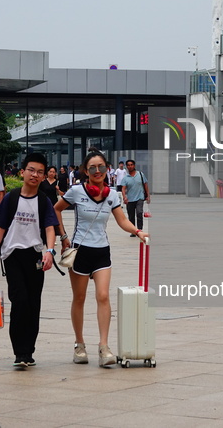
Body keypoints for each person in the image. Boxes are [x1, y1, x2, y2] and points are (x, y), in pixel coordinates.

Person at [54, 148, 150, 367]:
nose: (98, 171)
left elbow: (122, 220)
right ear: (86, 172)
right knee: (79, 298)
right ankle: (79, 344)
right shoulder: (76, 191)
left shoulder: (112, 195)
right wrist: (63, 237)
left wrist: (137, 231)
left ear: (107, 169)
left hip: (101, 252)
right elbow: (56, 209)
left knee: (103, 296)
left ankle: (104, 347)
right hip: (79, 251)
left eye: (101, 167)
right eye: (92, 168)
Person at [0, 153, 58, 368]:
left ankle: (29, 351)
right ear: (23, 172)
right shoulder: (12, 198)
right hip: (13, 255)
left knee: (33, 303)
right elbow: (0, 227)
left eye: (39, 172)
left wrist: (50, 251)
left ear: (43, 176)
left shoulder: (44, 201)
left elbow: (49, 228)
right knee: (20, 301)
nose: (34, 175)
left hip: (35, 255)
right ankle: (19, 352)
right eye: (31, 170)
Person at [122, 159, 150, 237]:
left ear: (134, 166)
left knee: (139, 212)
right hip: (130, 199)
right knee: (131, 216)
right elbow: (123, 188)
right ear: (127, 167)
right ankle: (134, 231)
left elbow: (145, 185)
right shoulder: (125, 178)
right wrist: (124, 197)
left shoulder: (140, 174)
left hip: (140, 197)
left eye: (131, 165)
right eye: (128, 165)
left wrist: (148, 196)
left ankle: (140, 229)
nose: (130, 166)